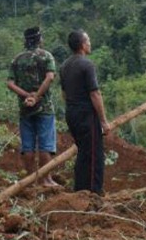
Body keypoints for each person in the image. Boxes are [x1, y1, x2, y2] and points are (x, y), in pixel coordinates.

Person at [60, 29, 110, 194]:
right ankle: (94, 193)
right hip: (86, 114)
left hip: (71, 113)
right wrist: (103, 121)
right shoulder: (86, 64)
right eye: (87, 40)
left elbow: (64, 94)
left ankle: (80, 189)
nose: (90, 43)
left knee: (83, 151)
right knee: (95, 155)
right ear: (82, 45)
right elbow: (94, 93)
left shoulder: (65, 66)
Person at [7, 26, 58, 187]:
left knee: (27, 145)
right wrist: (37, 96)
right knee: (45, 145)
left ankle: (30, 180)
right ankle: (46, 179)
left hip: (25, 108)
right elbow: (50, 77)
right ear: (39, 39)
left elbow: (9, 83)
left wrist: (26, 96)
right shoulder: (46, 56)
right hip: (44, 107)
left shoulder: (17, 59)